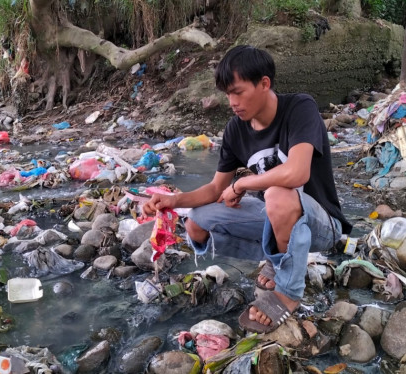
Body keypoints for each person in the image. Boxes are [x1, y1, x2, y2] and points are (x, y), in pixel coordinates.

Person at [142, 45, 352, 333]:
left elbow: (297, 172)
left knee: (277, 193)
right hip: (275, 216)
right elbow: (216, 188)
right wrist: (173, 200)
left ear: (264, 84)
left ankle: (288, 292)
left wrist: (241, 183)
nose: (232, 102)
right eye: (227, 94)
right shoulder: (235, 130)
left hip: (321, 223)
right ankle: (275, 259)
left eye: (238, 92)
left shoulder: (300, 108)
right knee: (196, 220)